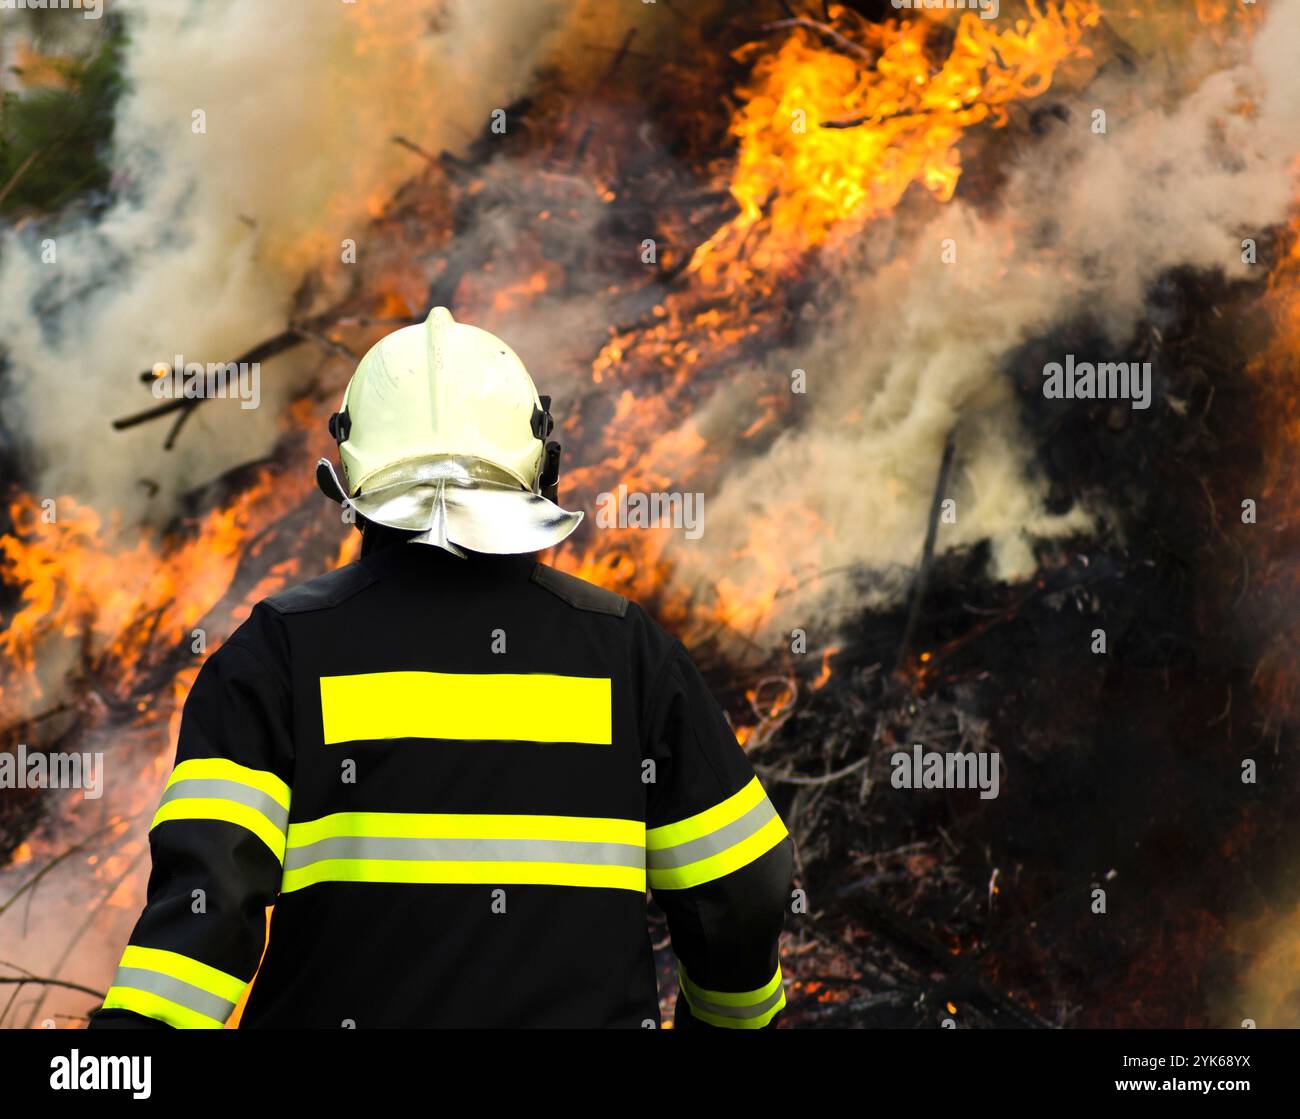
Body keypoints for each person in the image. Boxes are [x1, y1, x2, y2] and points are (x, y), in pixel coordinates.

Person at [88, 307, 793, 1029]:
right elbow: (745, 888)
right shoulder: (627, 651)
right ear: (543, 472)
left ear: (346, 484)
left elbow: (204, 915)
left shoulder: (278, 651)